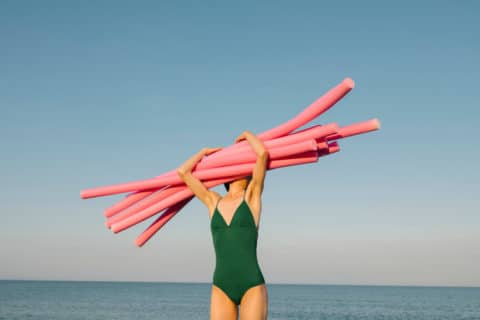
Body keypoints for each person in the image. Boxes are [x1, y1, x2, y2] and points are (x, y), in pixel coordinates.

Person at [177, 130, 269, 320]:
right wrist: (203, 152)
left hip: (251, 283)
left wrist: (247, 135)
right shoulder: (213, 201)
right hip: (221, 285)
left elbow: (262, 154)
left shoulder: (251, 197)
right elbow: (183, 172)